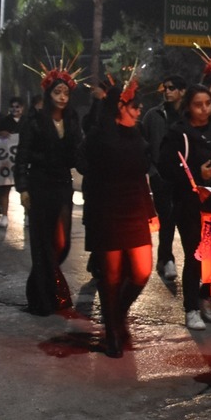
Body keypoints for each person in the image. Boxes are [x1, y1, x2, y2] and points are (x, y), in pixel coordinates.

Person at [77, 77, 154, 357]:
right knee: (109, 276)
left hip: (133, 208)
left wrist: (150, 212)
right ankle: (112, 334)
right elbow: (84, 162)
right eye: (133, 106)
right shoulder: (99, 133)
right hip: (105, 210)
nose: (137, 111)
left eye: (139, 106)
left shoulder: (138, 133)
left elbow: (141, 177)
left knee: (142, 271)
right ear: (120, 106)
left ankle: (117, 314)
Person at [157, 84, 211, 330]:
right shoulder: (178, 132)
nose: (204, 109)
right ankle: (191, 308)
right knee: (195, 253)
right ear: (188, 107)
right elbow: (166, 167)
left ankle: (206, 302)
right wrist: (195, 173)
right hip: (189, 203)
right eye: (198, 105)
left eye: (208, 104)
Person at [14, 64, 83, 316]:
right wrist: (23, 188)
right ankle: (42, 299)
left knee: (61, 244)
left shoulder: (73, 119)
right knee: (42, 244)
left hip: (63, 186)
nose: (63, 97)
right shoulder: (33, 121)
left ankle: (40, 288)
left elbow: (79, 153)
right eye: (58, 92)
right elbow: (21, 157)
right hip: (39, 186)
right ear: (49, 94)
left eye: (66, 92)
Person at [141, 74, 186, 283]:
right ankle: (168, 259)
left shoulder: (187, 115)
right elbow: (143, 145)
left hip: (183, 177)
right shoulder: (153, 115)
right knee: (167, 218)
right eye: (165, 87)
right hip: (160, 175)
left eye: (172, 88)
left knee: (180, 218)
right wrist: (151, 172)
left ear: (182, 91)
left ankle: (164, 258)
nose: (167, 91)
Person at [0, 96, 26, 224]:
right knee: (4, 189)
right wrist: (0, 133)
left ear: (22, 108)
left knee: (24, 188)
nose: (15, 109)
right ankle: (4, 215)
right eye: (12, 106)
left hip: (22, 161)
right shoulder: (3, 121)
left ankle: (27, 215)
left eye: (17, 107)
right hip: (5, 161)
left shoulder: (27, 121)